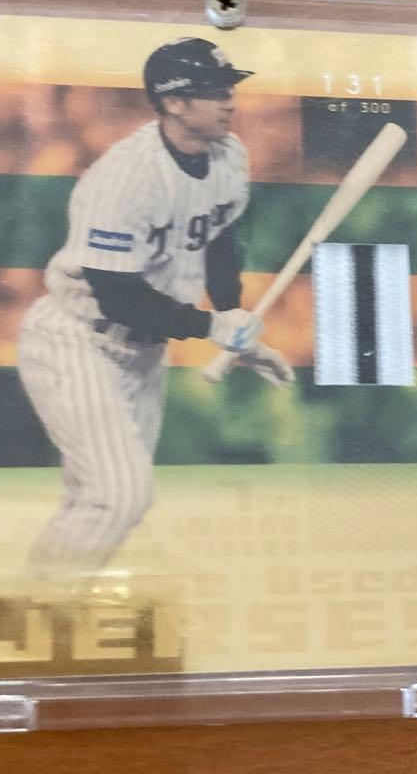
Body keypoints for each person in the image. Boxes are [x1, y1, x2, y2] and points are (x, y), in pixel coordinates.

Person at [17, 37, 292, 578]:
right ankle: (33, 609)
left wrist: (234, 321)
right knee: (120, 496)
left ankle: (40, 609)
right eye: (213, 90)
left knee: (99, 503)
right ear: (173, 103)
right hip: (78, 339)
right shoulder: (126, 178)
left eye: (228, 87)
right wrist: (210, 325)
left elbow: (220, 240)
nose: (230, 100)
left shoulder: (229, 155)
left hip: (145, 350)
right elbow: (117, 295)